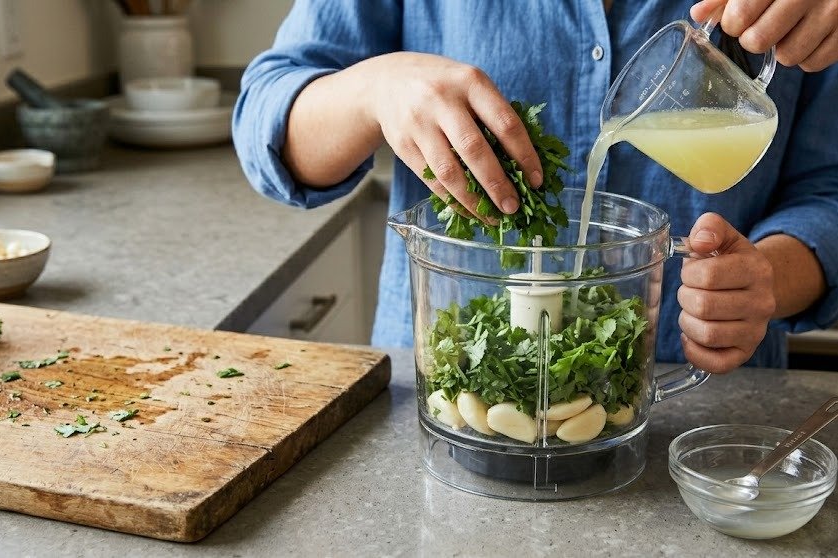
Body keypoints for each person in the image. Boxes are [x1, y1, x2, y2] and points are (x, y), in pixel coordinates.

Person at [233, 0, 838, 373]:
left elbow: (829, 190)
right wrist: (371, 90)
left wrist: (764, 280)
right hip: (450, 386)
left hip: (707, 418)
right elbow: (266, 122)